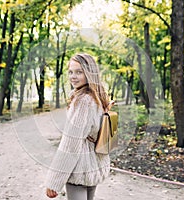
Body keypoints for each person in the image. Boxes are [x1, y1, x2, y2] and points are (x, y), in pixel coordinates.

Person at [45, 53, 110, 200]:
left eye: (79, 72)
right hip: (93, 164)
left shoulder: (83, 101)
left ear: (89, 73)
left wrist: (54, 181)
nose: (73, 76)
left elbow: (71, 144)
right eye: (71, 72)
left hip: (79, 167)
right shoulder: (97, 97)